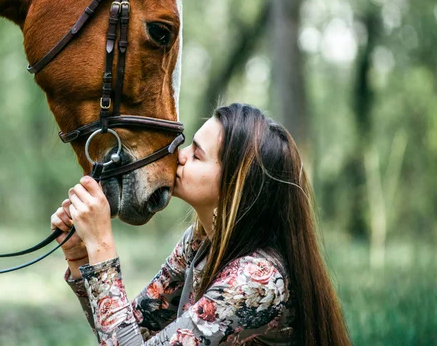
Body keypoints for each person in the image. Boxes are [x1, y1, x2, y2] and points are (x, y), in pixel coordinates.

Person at [50, 103, 350, 346]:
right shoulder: (199, 243)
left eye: (196, 154)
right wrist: (81, 257)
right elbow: (130, 331)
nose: (178, 158)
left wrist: (102, 245)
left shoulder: (257, 280)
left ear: (235, 184)